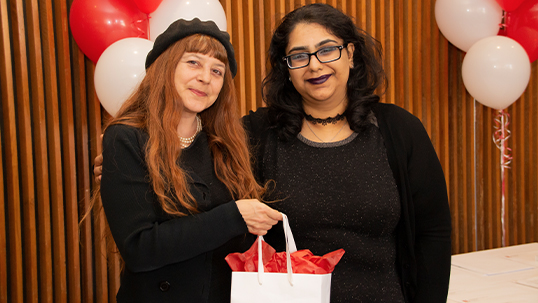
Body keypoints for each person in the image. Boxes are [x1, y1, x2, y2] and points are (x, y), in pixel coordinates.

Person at [95, 4, 452, 302]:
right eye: (299, 56)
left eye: (327, 49)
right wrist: (123, 170)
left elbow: (433, 233)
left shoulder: (398, 130)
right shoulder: (255, 134)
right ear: (286, 69)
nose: (315, 65)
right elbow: (188, 161)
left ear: (351, 54)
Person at [92, 18, 282, 303]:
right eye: (193, 62)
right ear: (165, 66)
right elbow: (139, 249)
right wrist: (233, 216)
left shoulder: (227, 144)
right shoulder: (126, 138)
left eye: (217, 70)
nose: (206, 77)